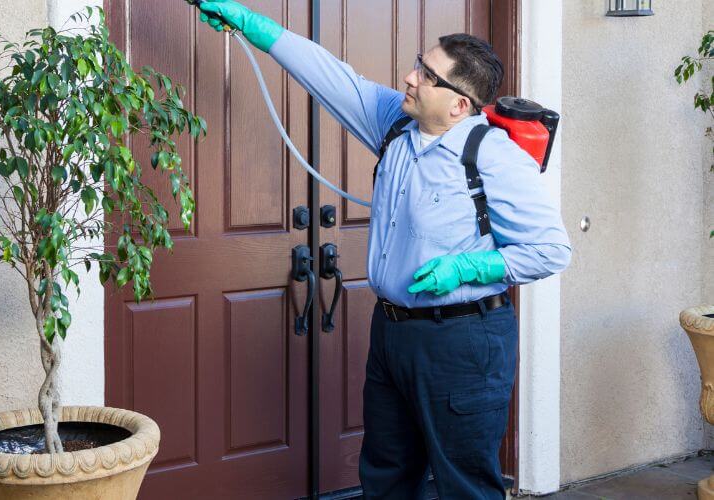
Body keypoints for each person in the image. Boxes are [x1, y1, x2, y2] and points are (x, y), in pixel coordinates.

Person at [196, 2, 572, 498]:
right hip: (393, 334)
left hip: (464, 342)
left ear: (459, 104)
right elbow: (330, 76)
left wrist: (470, 265)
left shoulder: (494, 157)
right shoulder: (395, 126)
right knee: (387, 476)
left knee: (465, 485)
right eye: (419, 62)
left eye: (426, 74)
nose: (409, 77)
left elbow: (552, 250)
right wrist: (254, 26)